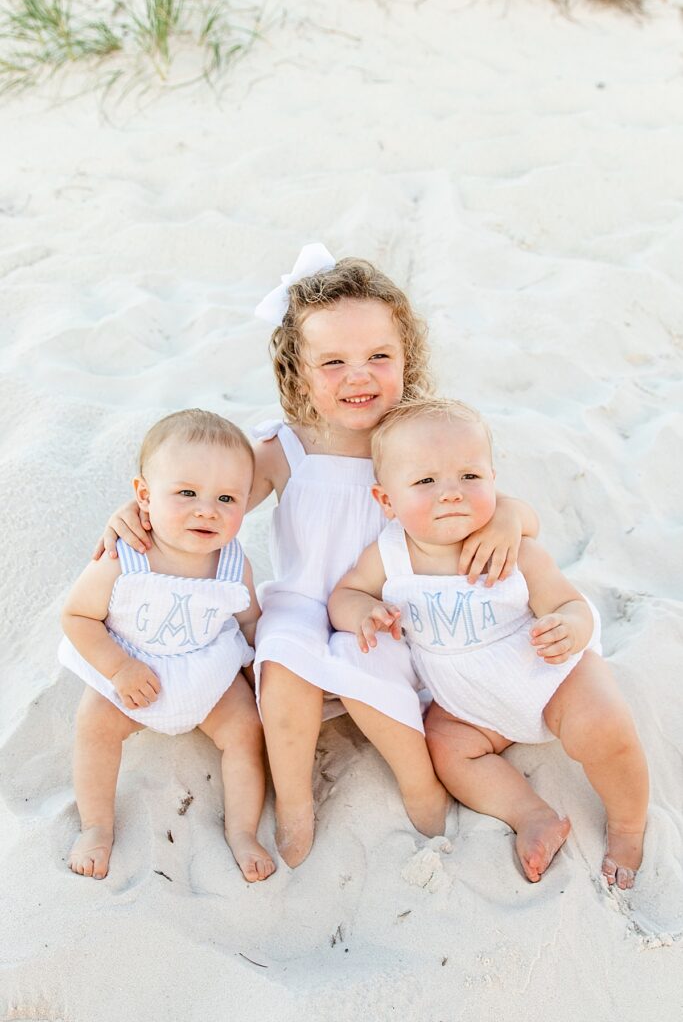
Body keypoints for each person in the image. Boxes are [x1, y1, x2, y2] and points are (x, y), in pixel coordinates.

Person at [94, 244, 537, 868]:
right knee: (284, 673)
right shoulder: (284, 447)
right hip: (302, 600)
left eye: (378, 356)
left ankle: (418, 784)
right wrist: (137, 515)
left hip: (387, 605)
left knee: (377, 680)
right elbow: (208, 506)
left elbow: (486, 499)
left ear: (406, 359)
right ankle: (296, 799)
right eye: (333, 362)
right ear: (297, 372)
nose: (359, 376)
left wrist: (514, 515)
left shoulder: (419, 441)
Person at [328, 397, 649, 890]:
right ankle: (530, 814)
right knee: (447, 750)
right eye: (425, 482)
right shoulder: (390, 555)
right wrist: (362, 613)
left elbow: (571, 604)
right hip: (468, 705)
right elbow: (345, 595)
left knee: (605, 728)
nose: (451, 494)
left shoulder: (513, 547)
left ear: (493, 480)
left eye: (469, 477)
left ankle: (628, 825)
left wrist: (571, 628)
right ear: (387, 501)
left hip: (546, 676)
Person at [60, 409, 275, 883]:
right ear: (144, 496)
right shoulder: (125, 557)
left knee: (245, 731)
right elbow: (76, 617)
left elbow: (248, 621)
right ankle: (96, 826)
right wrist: (118, 669)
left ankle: (242, 831)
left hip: (206, 671)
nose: (207, 509)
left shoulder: (233, 564)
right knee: (94, 723)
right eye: (186, 494)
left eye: (226, 498)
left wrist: (260, 670)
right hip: (135, 668)